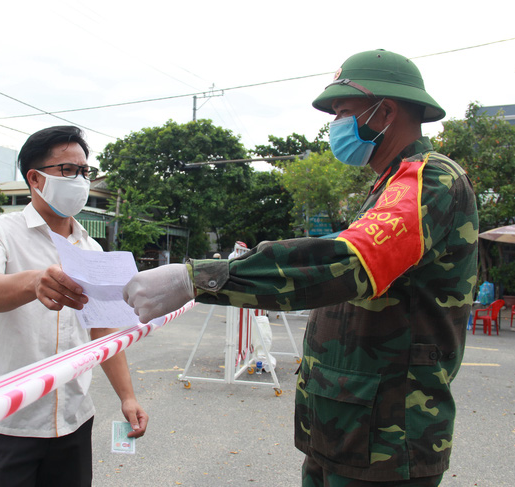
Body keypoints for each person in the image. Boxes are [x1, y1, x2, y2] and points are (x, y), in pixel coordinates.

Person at [124, 49, 478, 486]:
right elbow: (338, 250)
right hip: (346, 429)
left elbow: (347, 262)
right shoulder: (389, 185)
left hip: (388, 440)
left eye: (344, 112)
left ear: (385, 111)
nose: (336, 125)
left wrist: (198, 278)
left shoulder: (430, 179)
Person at [0, 126, 148, 487]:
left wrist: (128, 397)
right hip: (8, 423)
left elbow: (102, 330)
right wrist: (33, 282)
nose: (80, 179)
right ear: (35, 178)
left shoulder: (92, 249)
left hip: (74, 421)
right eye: (68, 170)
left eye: (84, 171)